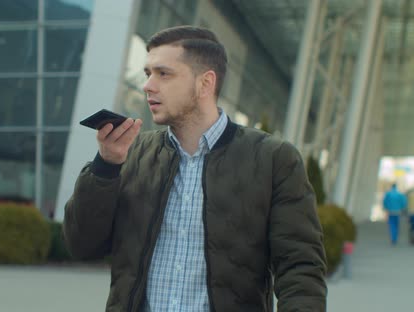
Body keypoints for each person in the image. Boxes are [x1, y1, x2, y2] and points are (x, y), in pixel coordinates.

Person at [63, 25, 327, 311]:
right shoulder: (131, 154)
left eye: (164, 74)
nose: (149, 85)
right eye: (148, 73)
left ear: (205, 83)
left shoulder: (273, 159)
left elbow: (300, 268)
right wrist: (106, 167)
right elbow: (82, 245)